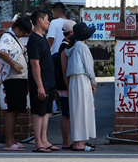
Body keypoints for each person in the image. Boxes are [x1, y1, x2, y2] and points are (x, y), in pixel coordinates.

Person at [0, 16, 31, 151]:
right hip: (13, 78)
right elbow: (1, 51)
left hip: (20, 78)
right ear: (17, 29)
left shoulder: (16, 38)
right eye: (23, 33)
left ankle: (12, 140)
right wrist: (14, 66)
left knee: (16, 109)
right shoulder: (7, 37)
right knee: (12, 110)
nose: (23, 35)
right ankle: (8, 142)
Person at [27, 10, 59, 152]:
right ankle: (38, 142)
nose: (49, 22)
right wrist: (40, 86)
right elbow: (35, 63)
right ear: (40, 20)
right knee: (39, 112)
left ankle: (44, 140)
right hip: (40, 83)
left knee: (46, 112)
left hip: (48, 81)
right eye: (47, 18)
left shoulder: (42, 38)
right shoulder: (33, 39)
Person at [66, 22, 98, 151]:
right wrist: (93, 81)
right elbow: (89, 67)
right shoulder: (82, 46)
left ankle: (78, 140)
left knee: (77, 110)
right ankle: (79, 143)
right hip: (82, 79)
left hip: (74, 80)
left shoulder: (72, 47)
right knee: (83, 110)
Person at [54, 19, 76, 148]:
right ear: (72, 32)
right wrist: (69, 86)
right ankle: (66, 141)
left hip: (64, 84)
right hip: (64, 85)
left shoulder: (65, 45)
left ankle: (68, 140)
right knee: (66, 114)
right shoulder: (64, 47)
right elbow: (64, 70)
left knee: (68, 114)